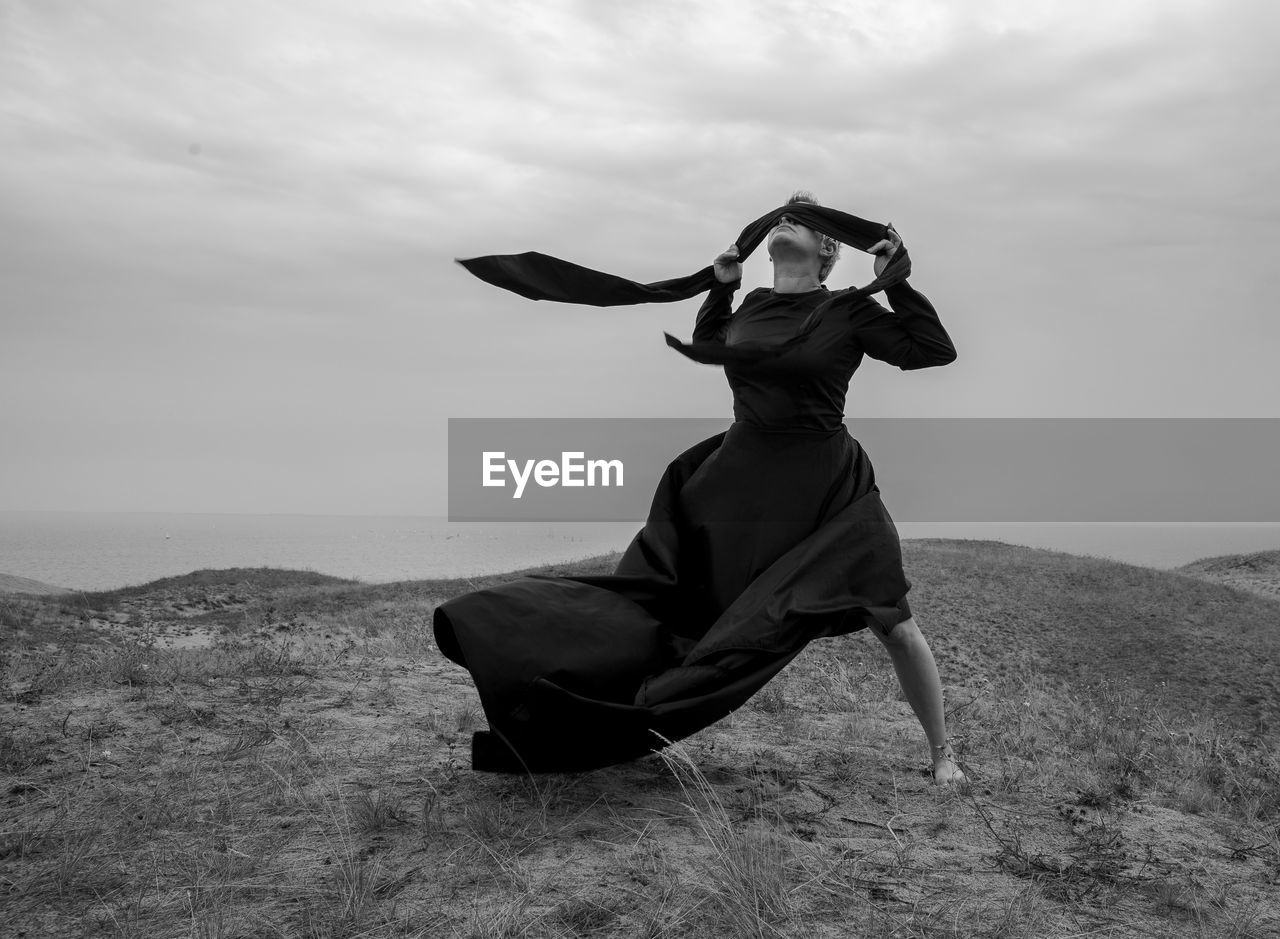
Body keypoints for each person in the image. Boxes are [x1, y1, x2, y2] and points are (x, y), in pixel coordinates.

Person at [435, 192, 964, 784]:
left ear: (827, 249)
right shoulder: (752, 307)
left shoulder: (849, 310)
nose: (787, 221)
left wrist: (895, 281)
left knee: (894, 623)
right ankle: (564, 692)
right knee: (676, 610)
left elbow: (933, 352)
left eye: (805, 220)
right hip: (737, 479)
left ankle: (943, 755)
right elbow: (715, 342)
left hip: (824, 484)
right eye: (782, 216)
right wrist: (721, 286)